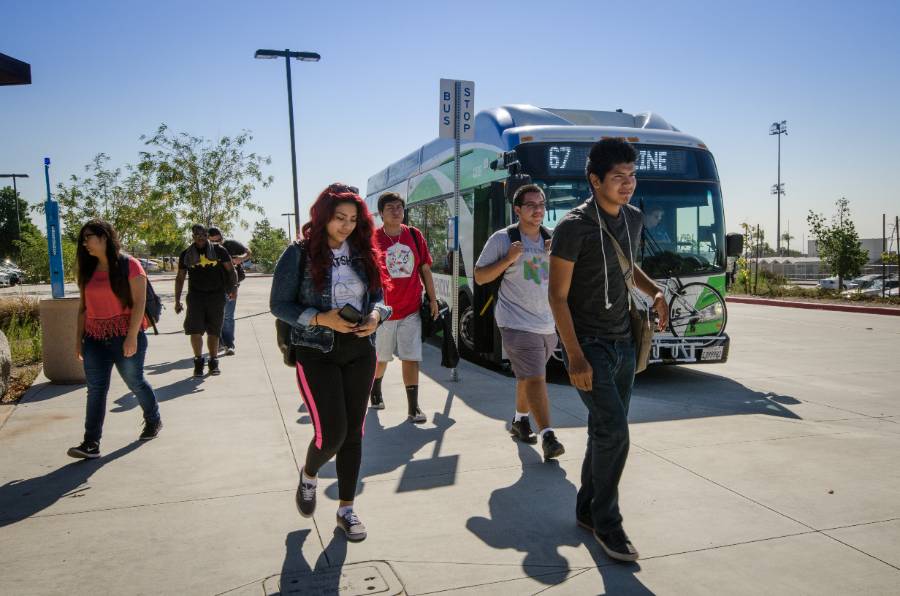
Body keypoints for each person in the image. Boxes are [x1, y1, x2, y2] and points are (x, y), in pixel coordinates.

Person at [548, 139, 669, 562]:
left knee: (603, 431)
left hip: (623, 341)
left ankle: (585, 509)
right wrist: (575, 355)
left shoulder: (632, 219)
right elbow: (557, 296)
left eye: (632, 176)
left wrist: (654, 292)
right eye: (618, 177)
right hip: (589, 346)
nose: (628, 184)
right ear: (595, 180)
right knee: (614, 431)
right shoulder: (572, 226)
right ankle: (608, 523)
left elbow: (626, 265)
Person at [270, 183, 392, 543]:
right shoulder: (298, 253)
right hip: (316, 350)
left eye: (353, 220)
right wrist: (323, 319)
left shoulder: (363, 252)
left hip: (360, 349)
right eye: (339, 218)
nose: (346, 226)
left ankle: (346, 510)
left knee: (355, 433)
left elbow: (382, 299)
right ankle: (309, 475)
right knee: (332, 433)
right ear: (323, 217)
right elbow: (280, 305)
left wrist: (375, 316)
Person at [473, 183, 565, 461]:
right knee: (536, 377)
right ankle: (548, 435)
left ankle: (520, 420)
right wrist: (509, 258)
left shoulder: (552, 239)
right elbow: (479, 276)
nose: (538, 210)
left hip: (547, 324)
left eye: (541, 205)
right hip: (514, 322)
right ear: (517, 209)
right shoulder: (504, 239)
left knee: (527, 376)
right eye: (531, 205)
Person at [67, 219, 162, 459]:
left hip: (124, 336)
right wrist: (78, 340)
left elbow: (139, 302)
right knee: (96, 390)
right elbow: (83, 307)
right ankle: (91, 443)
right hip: (95, 339)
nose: (85, 243)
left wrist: (132, 337)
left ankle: (154, 420)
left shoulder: (130, 265)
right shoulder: (87, 269)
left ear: (105, 237)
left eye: (89, 236)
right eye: (83, 238)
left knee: (135, 382)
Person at [370, 191, 439, 423]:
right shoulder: (372, 239)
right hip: (383, 312)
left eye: (399, 207)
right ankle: (376, 389)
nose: (396, 210)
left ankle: (413, 407)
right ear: (381, 213)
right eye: (390, 207)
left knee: (411, 357)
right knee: (381, 358)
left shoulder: (414, 235)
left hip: (411, 309)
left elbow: (425, 270)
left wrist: (433, 299)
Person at [174, 224, 238, 377]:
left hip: (216, 296)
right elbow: (180, 277)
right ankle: (198, 362)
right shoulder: (186, 254)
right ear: (193, 237)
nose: (200, 238)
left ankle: (214, 362)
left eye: (203, 235)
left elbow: (232, 271)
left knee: (214, 331)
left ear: (206, 235)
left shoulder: (218, 250)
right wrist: (177, 300)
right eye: (197, 235)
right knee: (194, 331)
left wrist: (233, 290)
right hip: (195, 297)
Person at [207, 226, 251, 356]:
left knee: (228, 316)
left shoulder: (230, 245)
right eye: (213, 241)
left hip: (230, 285)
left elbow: (248, 252)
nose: (217, 243)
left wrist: (241, 258)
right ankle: (220, 342)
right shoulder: (205, 250)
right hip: (213, 287)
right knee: (215, 316)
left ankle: (229, 344)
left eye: (219, 240)